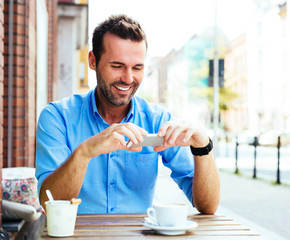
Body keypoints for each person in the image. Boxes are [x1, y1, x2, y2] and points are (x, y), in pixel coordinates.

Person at [35, 14, 220, 214]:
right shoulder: (57, 117)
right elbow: (48, 202)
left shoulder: (157, 120)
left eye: (137, 68)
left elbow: (207, 206)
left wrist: (203, 146)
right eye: (117, 66)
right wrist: (86, 151)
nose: (128, 78)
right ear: (92, 61)